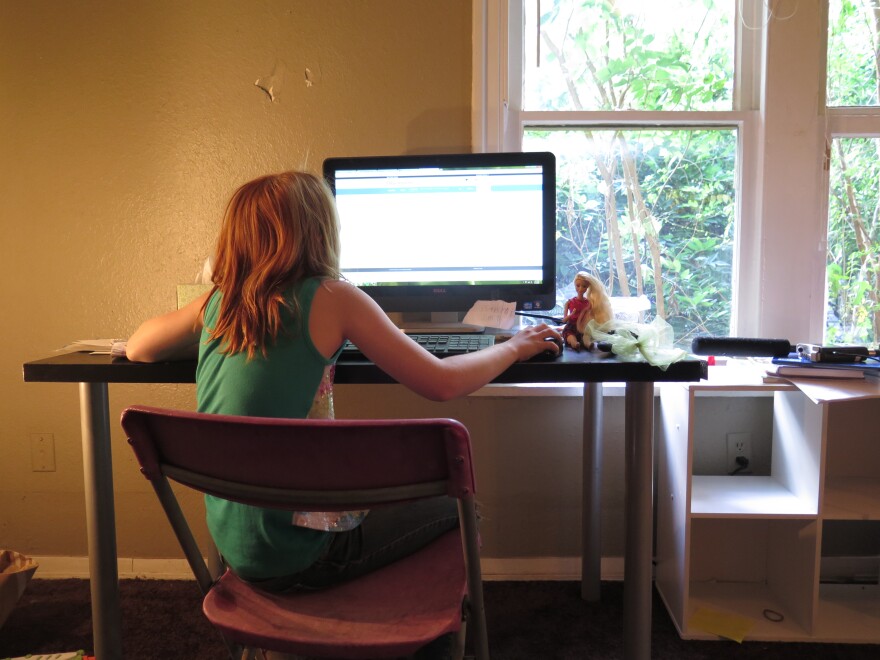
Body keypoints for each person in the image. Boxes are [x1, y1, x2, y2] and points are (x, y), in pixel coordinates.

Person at [126, 171, 562, 602]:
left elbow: (139, 348)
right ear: (319, 231)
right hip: (306, 555)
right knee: (459, 509)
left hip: (238, 554)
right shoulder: (333, 297)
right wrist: (515, 348)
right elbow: (442, 382)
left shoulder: (218, 302)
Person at [561, 271, 612, 350]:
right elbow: (564, 320)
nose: (580, 288)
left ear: (587, 287)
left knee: (586, 337)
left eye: (584, 286)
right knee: (570, 336)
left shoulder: (588, 303)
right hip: (571, 327)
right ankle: (575, 344)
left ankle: (588, 345)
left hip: (583, 327)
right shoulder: (569, 302)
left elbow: (592, 317)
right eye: (578, 286)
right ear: (575, 285)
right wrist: (571, 315)